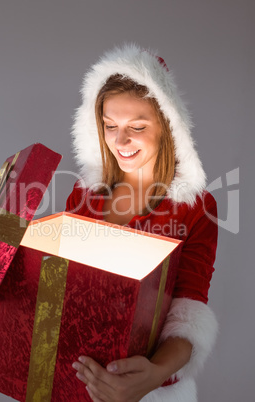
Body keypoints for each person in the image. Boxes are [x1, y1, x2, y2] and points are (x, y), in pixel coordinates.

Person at [67, 44, 218, 402]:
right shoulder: (83, 197)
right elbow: (62, 288)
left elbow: (189, 311)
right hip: (77, 381)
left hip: (153, 392)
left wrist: (154, 375)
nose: (121, 141)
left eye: (137, 126)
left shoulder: (194, 208)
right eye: (109, 125)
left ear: (167, 126)